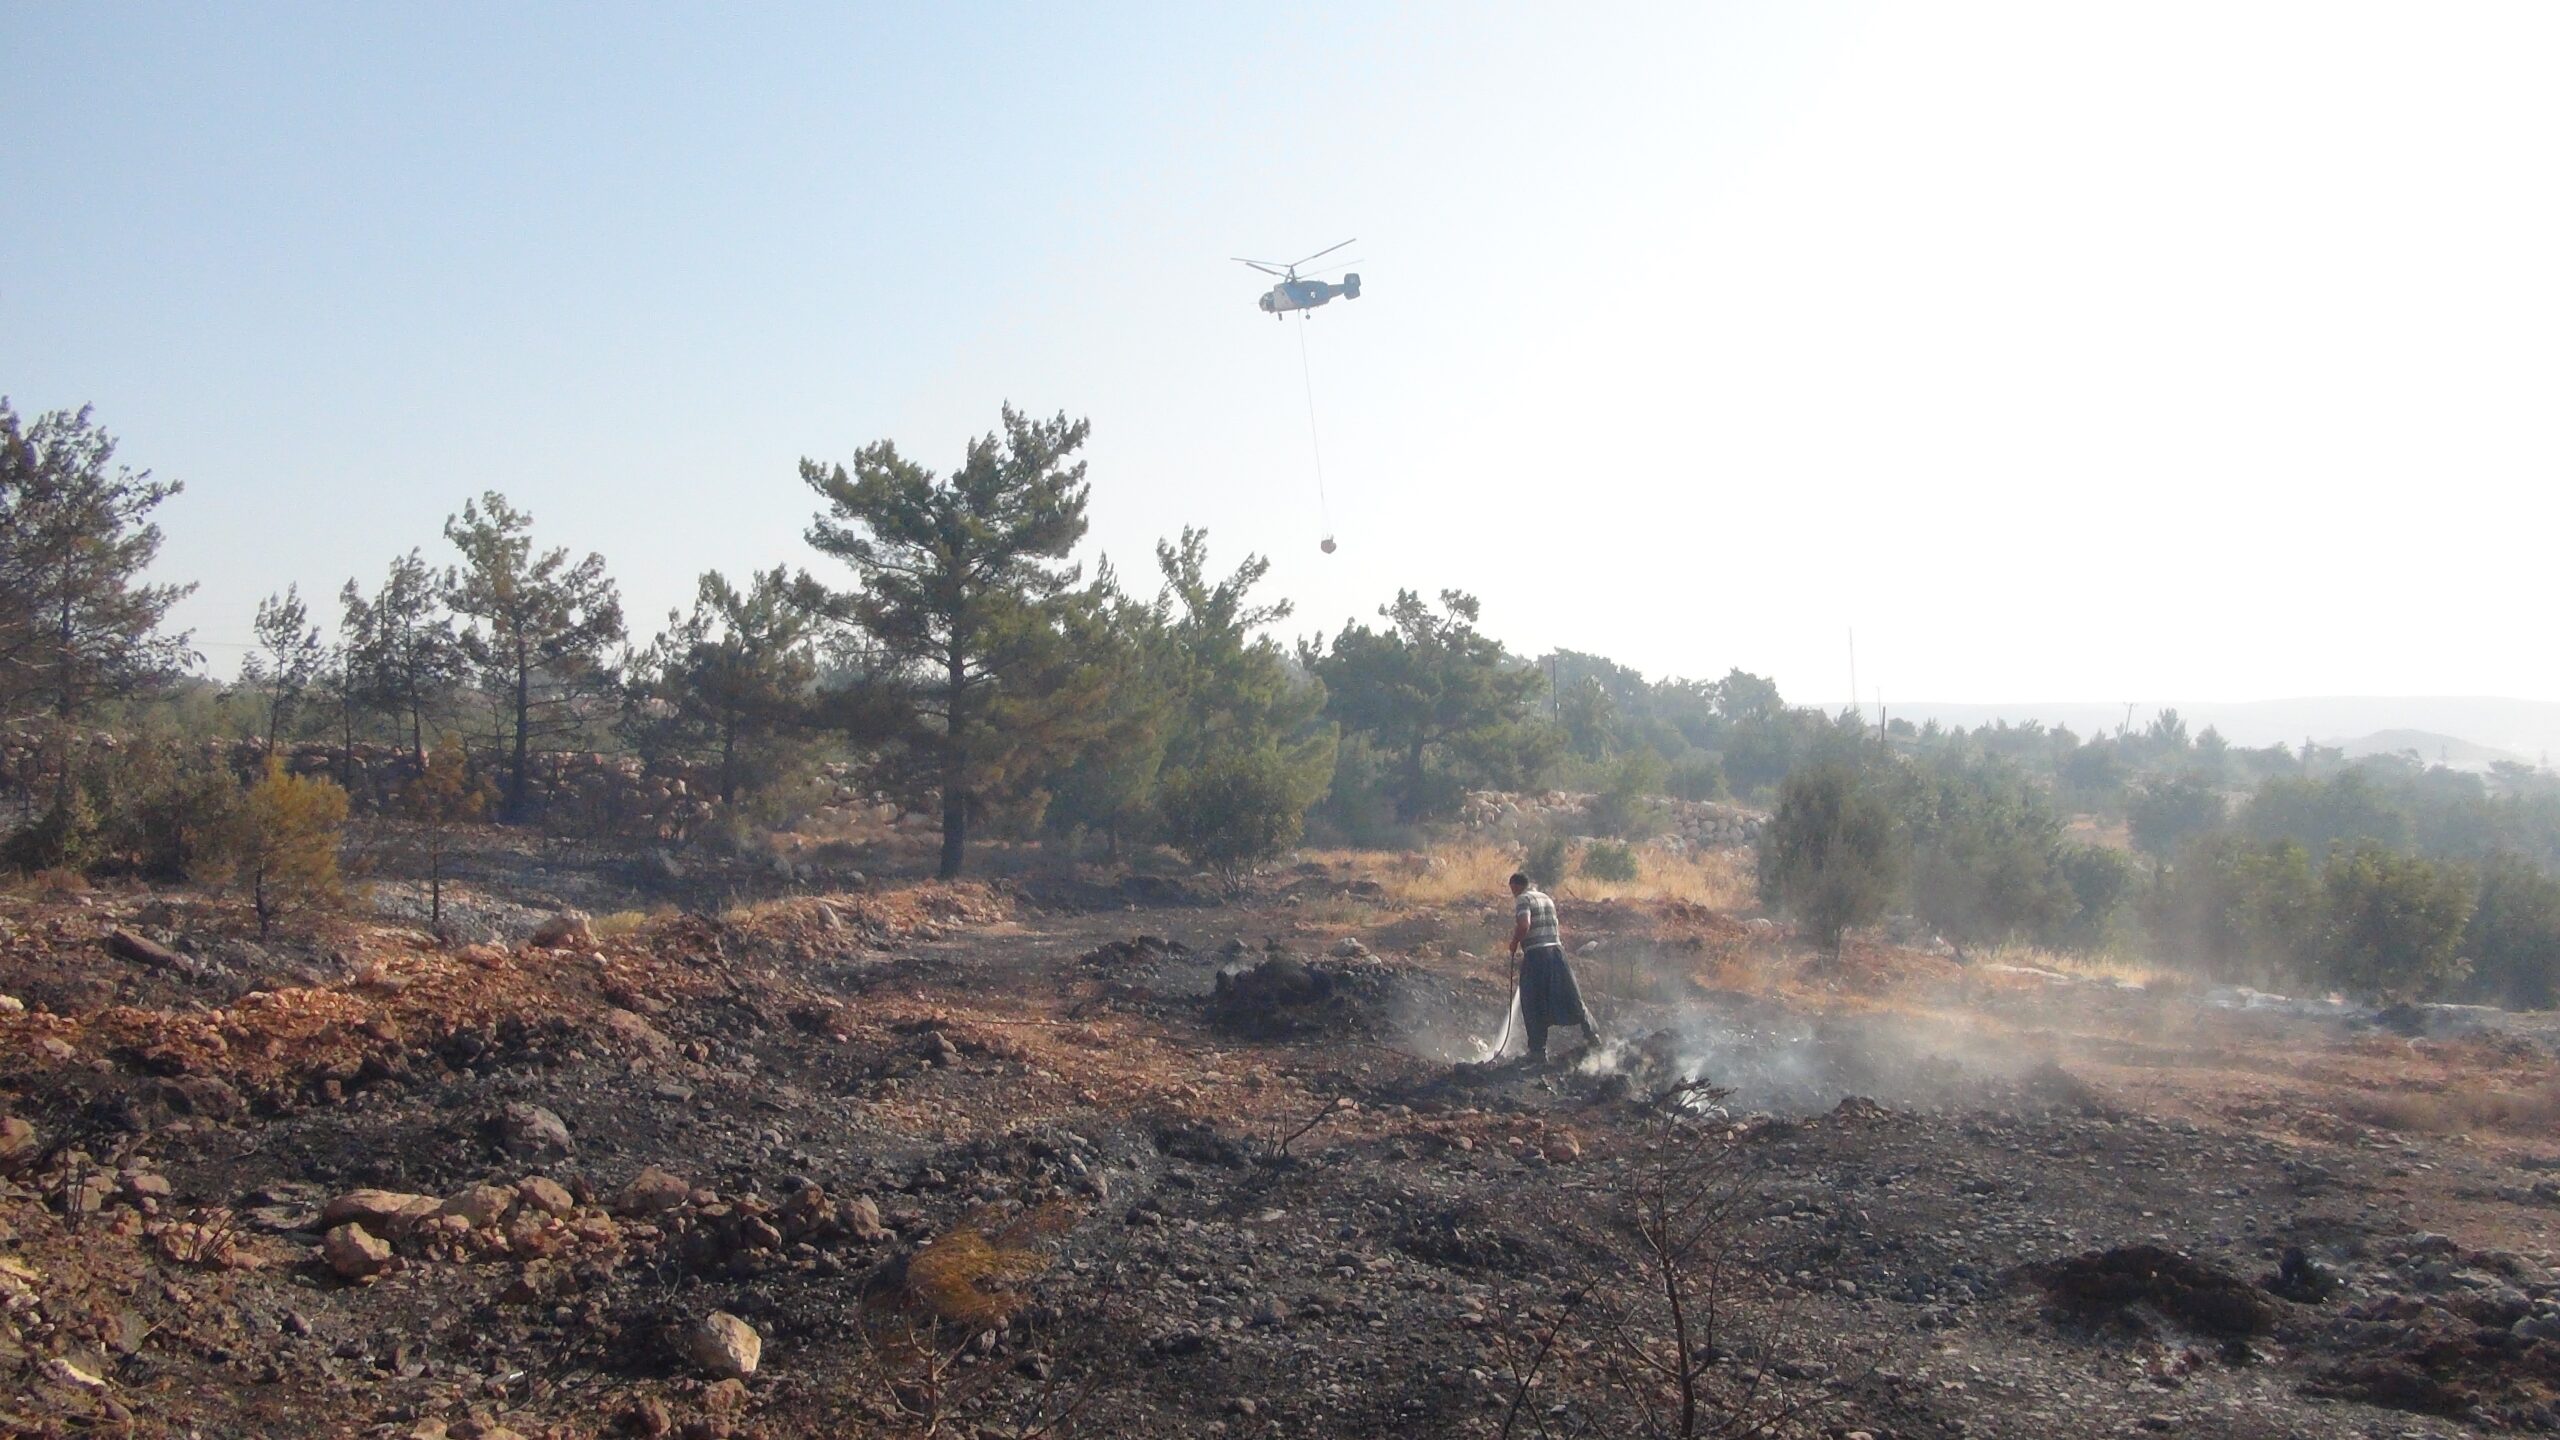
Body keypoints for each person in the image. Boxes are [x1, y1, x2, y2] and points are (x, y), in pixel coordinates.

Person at [1507, 871, 1596, 1063]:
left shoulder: (1523, 899)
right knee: (1571, 995)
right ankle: (1592, 1035)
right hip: (1556, 953)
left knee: (1532, 1001)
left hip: (1537, 956)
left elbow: (1524, 925)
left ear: (1515, 886)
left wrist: (1514, 942)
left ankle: (1537, 1052)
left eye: (1511, 889)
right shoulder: (1546, 898)